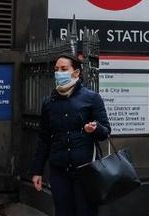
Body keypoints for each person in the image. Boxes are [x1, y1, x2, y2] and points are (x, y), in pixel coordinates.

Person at [30, 54, 112, 216]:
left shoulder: (91, 98)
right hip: (59, 170)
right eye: (56, 69)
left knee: (85, 212)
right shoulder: (49, 103)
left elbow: (105, 132)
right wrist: (37, 171)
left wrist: (94, 129)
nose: (59, 72)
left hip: (85, 169)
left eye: (64, 69)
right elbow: (44, 138)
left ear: (76, 72)